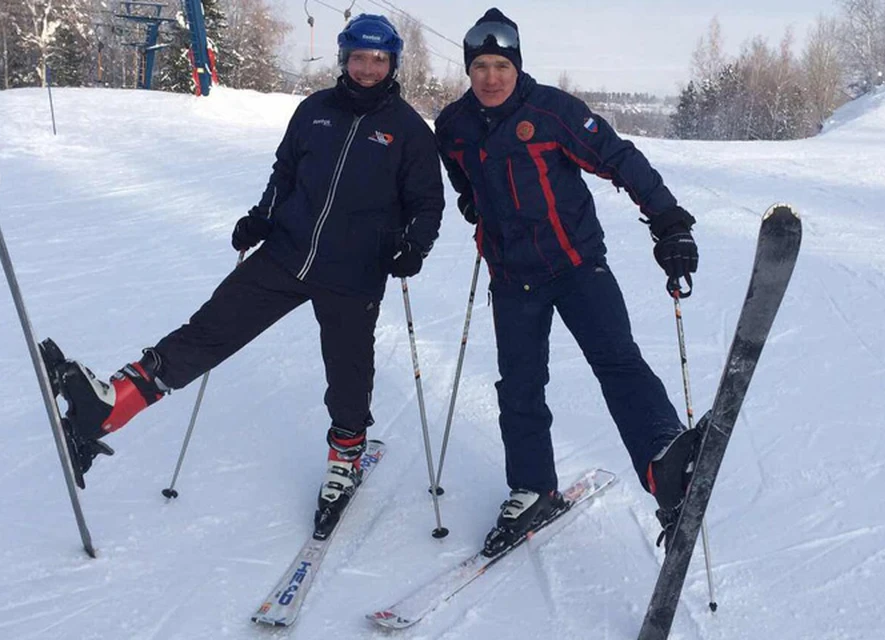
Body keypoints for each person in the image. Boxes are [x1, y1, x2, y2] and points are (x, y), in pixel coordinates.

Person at [44, 14, 444, 541]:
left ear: (392, 63)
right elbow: (285, 173)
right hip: (286, 253)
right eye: (358, 57)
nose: (368, 69)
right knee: (210, 329)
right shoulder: (314, 112)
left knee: (348, 370)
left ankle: (346, 456)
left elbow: (427, 202)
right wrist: (262, 216)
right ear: (343, 58)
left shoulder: (410, 131)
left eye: (379, 60)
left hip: (353, 272)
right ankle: (109, 406)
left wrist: (415, 244)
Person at [434, 8, 700, 556]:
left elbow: (618, 159)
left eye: (500, 66)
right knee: (520, 387)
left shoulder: (552, 111)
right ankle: (533, 487)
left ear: (517, 66)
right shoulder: (453, 124)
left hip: (578, 266)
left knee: (618, 362)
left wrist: (668, 221)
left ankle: (666, 465)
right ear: (468, 69)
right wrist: (472, 198)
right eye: (480, 66)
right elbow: (460, 172)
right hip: (511, 278)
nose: (491, 77)